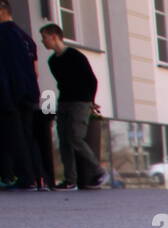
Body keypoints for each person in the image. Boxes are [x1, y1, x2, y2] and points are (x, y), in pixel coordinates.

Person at [40, 22, 107, 190]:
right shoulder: (52, 61)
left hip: (80, 103)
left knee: (75, 137)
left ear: (54, 37)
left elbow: (91, 79)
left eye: (44, 38)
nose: (43, 42)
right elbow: (63, 83)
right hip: (64, 102)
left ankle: (99, 171)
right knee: (64, 141)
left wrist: (90, 100)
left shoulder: (76, 56)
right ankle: (70, 180)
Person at [0, 0, 42, 190]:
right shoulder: (26, 38)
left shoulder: (3, 34)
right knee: (27, 135)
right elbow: (35, 70)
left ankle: (24, 178)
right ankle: (35, 177)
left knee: (14, 136)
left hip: (11, 95)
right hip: (28, 94)